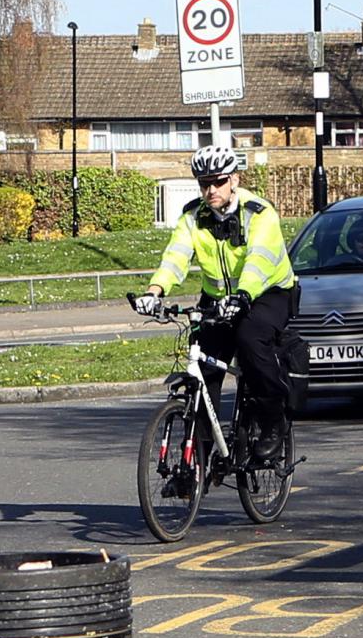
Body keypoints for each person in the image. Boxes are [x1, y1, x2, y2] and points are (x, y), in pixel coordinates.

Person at [128, 145, 300, 465]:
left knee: (250, 342)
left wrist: (243, 296)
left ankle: (273, 421)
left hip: (267, 293)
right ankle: (199, 462)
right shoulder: (194, 216)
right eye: (203, 183)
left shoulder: (259, 213)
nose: (210, 190)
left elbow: (259, 260)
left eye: (217, 182)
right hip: (218, 298)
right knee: (203, 368)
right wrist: (155, 291)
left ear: (234, 179)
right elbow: (176, 255)